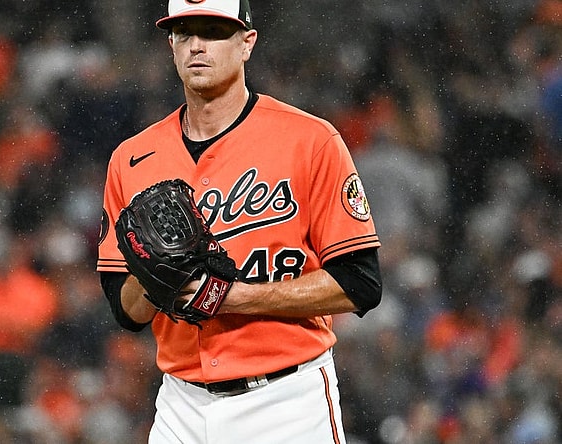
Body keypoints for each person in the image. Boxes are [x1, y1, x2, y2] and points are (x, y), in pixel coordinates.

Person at [96, 0, 382, 442]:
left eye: (212, 31)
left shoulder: (310, 140)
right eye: (184, 33)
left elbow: (360, 284)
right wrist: (154, 275)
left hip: (286, 400)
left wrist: (231, 298)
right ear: (170, 46)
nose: (196, 46)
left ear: (247, 43)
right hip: (181, 404)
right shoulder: (131, 159)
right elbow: (127, 312)